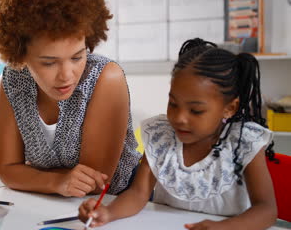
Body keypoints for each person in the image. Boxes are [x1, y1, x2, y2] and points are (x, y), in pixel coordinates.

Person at [78, 38, 277, 229]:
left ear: (230, 108)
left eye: (196, 111)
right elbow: (138, 194)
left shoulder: (244, 142)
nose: (180, 118)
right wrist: (108, 213)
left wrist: (225, 227)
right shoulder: (161, 136)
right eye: (173, 104)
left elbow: (266, 210)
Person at [0, 0, 142, 197]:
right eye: (49, 63)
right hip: (48, 204)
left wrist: (31, 176)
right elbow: (7, 170)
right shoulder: (13, 80)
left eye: (77, 57)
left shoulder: (106, 78)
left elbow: (93, 183)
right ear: (20, 54)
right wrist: (57, 183)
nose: (67, 75)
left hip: (115, 206)